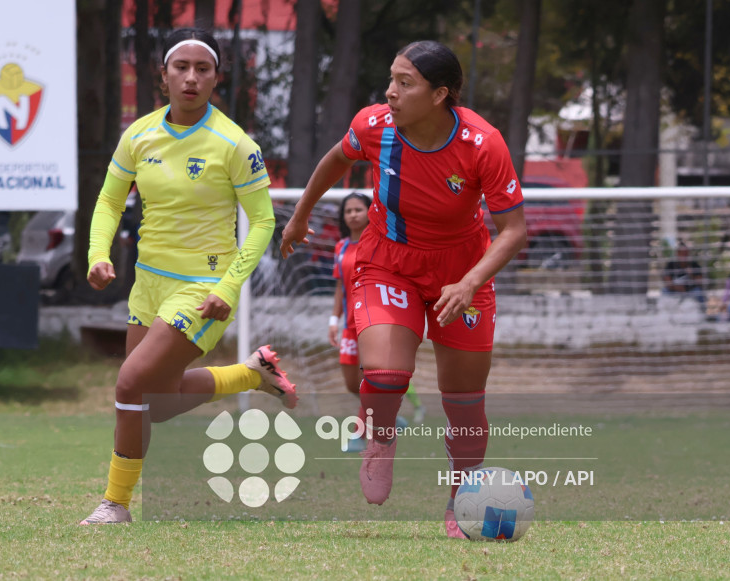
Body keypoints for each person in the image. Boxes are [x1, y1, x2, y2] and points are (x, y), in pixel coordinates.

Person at [280, 40, 526, 539]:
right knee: (387, 372)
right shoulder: (374, 125)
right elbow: (335, 160)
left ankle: (461, 503)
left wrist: (471, 281)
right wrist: (301, 215)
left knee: (464, 403)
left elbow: (514, 231)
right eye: (391, 79)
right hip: (387, 261)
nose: (390, 92)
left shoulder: (483, 143)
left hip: (462, 272)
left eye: (405, 83)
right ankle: (380, 438)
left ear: (439, 95)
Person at [80, 28, 297, 525]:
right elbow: (110, 200)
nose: (191, 78)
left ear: (217, 78)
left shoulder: (235, 144)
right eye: (181, 67)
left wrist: (228, 287)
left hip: (203, 288)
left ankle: (114, 505)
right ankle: (251, 374)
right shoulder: (139, 135)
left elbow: (263, 221)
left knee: (129, 384)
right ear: (163, 75)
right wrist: (97, 253)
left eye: (203, 69)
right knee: (152, 404)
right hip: (148, 283)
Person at [328, 192, 425, 455]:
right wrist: (333, 319)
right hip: (349, 325)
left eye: (358, 209)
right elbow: (340, 287)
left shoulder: (379, 244)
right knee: (352, 384)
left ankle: (358, 435)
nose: (353, 215)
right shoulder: (341, 248)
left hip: (372, 322)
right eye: (348, 211)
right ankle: (386, 417)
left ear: (370, 212)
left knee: (368, 380)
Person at [663, 243, 706, 308]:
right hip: (675, 290)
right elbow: (668, 282)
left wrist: (691, 274)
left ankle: (702, 310)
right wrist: (678, 288)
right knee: (665, 291)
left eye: (686, 253)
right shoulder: (671, 265)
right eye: (682, 253)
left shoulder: (693, 265)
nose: (684, 256)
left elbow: (700, 281)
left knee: (698, 292)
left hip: (690, 291)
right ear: (678, 254)